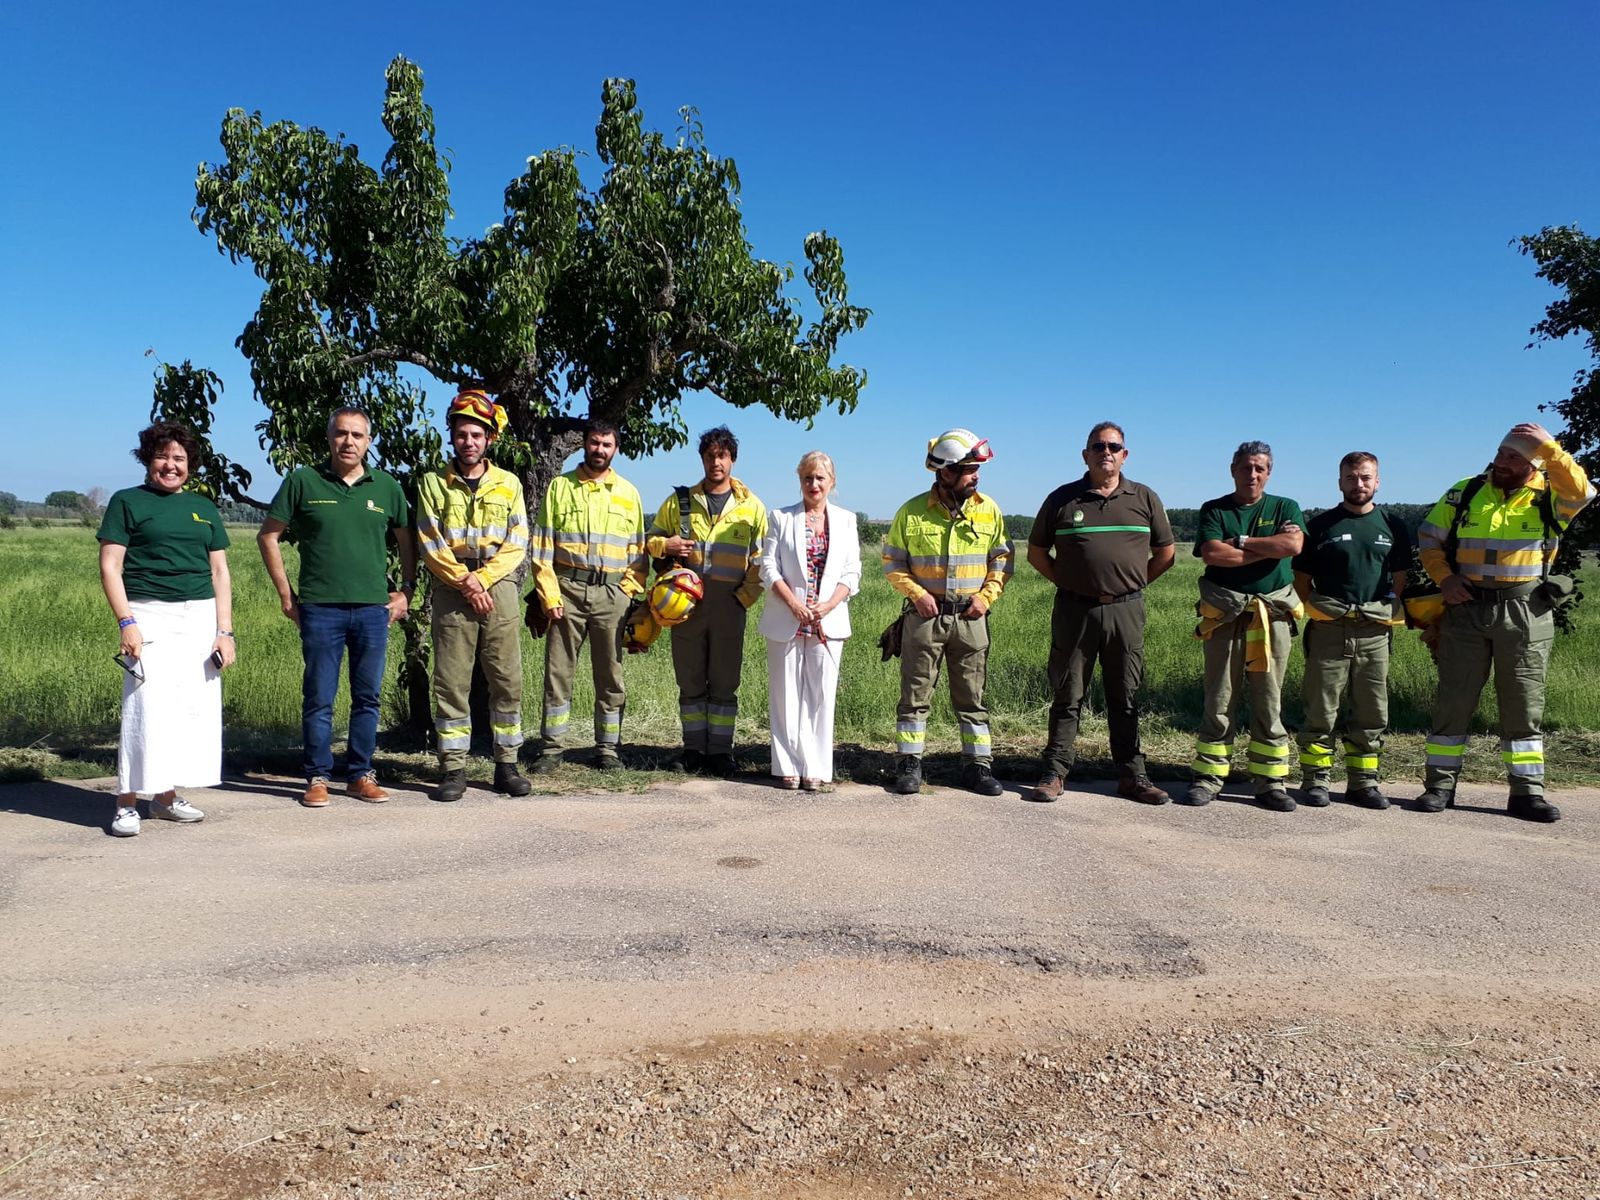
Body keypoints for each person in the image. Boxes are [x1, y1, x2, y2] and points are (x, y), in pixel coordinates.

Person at [1415, 422, 1594, 822]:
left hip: (1525, 612)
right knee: (1453, 701)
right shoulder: (1466, 491)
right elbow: (1429, 537)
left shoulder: (1552, 495)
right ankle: (1440, 786)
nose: (1501, 461)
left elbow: (1584, 492)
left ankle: (1527, 793)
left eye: (1513, 456)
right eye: (1500, 452)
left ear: (1534, 463)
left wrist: (1550, 448)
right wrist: (1445, 579)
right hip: (1465, 611)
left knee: (1523, 704)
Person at [258, 407, 417, 807]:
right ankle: (317, 776)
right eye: (342, 434)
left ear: (368, 441)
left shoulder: (386, 487)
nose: (349, 441)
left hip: (372, 610)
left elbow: (407, 540)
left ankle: (361, 774)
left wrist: (407, 591)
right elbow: (268, 536)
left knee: (367, 697)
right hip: (320, 609)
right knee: (319, 696)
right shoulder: (303, 481)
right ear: (330, 438)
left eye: (358, 435)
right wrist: (286, 595)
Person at [97, 422, 236, 837]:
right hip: (147, 613)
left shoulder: (204, 507)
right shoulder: (127, 502)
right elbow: (110, 565)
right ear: (148, 460)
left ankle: (164, 798)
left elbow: (220, 571)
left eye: (179, 458)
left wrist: (224, 631)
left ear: (190, 465)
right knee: (145, 707)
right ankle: (126, 801)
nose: (171, 465)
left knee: (188, 708)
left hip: (199, 616)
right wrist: (127, 622)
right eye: (163, 457)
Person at [1025, 421, 1174, 804]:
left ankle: (1133, 776)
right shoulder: (1063, 499)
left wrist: (1132, 584)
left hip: (1126, 611)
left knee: (1124, 694)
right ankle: (1055, 773)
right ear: (1085, 454)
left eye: (1114, 446)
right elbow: (1037, 553)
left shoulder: (1144, 498)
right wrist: (1068, 581)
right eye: (1098, 446)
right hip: (1076, 611)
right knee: (1067, 693)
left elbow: (1166, 554)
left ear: (1125, 454)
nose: (1106, 452)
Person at [415, 390, 532, 802]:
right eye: (462, 434)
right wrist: (466, 581)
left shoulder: (509, 483)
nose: (468, 441)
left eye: (476, 435)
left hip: (498, 587)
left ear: (489, 440)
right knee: (451, 681)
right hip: (452, 588)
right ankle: (453, 768)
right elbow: (430, 540)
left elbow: (518, 541)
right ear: (452, 437)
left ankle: (507, 764)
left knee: (506, 679)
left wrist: (482, 579)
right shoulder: (432, 484)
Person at [883, 428, 1013, 797]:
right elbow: (893, 562)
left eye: (976, 468)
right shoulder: (910, 513)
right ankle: (909, 765)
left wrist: (986, 598)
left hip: (971, 621)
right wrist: (918, 594)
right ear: (945, 472)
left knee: (972, 700)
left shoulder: (989, 510)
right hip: (924, 618)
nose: (976, 475)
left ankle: (977, 767)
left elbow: (1002, 559)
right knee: (914, 697)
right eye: (970, 468)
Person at [1184, 441, 1305, 811]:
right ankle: (1210, 776)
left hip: (1272, 616)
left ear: (1269, 472)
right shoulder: (1215, 509)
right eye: (1246, 467)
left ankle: (1271, 781)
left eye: (1260, 468)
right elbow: (1213, 553)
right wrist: (1266, 548)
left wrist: (1243, 542)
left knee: (1269, 699)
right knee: (1219, 696)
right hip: (1224, 615)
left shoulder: (1286, 507)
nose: (1252, 474)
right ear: (1232, 469)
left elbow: (1293, 546)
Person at [645, 426, 767, 777]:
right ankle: (693, 749)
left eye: (723, 455)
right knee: (691, 679)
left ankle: (721, 752)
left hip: (730, 604)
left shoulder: (752, 507)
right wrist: (665, 546)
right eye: (710, 455)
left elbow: (762, 560)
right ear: (702, 459)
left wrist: (744, 598)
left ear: (732, 459)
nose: (716, 461)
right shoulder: (679, 502)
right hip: (686, 607)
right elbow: (649, 542)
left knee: (725, 681)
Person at [1291, 452, 1411, 810]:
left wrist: (1381, 609)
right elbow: (1301, 580)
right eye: (1351, 478)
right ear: (1340, 481)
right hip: (1329, 628)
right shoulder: (1321, 525)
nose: (1359, 484)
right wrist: (1320, 610)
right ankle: (1315, 780)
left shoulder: (1393, 525)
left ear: (1377, 482)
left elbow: (1400, 579)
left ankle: (1363, 783)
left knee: (1372, 711)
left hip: (1374, 631)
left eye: (1365, 478)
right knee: (1320, 709)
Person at [529, 419, 647, 773]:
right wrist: (549, 596)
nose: (599, 450)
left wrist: (627, 590)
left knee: (610, 674)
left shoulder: (628, 493)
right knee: (558, 672)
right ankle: (551, 749)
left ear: (616, 449)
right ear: (584, 445)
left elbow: (639, 552)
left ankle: (607, 748)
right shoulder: (560, 488)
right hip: (567, 591)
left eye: (607, 445)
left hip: (613, 594)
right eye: (594, 443)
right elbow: (541, 547)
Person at [758, 451, 862, 791]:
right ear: (799, 480)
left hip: (826, 621)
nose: (813, 484)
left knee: (820, 696)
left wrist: (829, 605)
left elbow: (852, 572)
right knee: (785, 694)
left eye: (820, 478)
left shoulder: (847, 520)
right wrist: (793, 602)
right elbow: (767, 566)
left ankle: (815, 768)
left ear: (832, 481)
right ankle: (786, 766)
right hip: (787, 617)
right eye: (807, 478)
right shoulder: (780, 517)